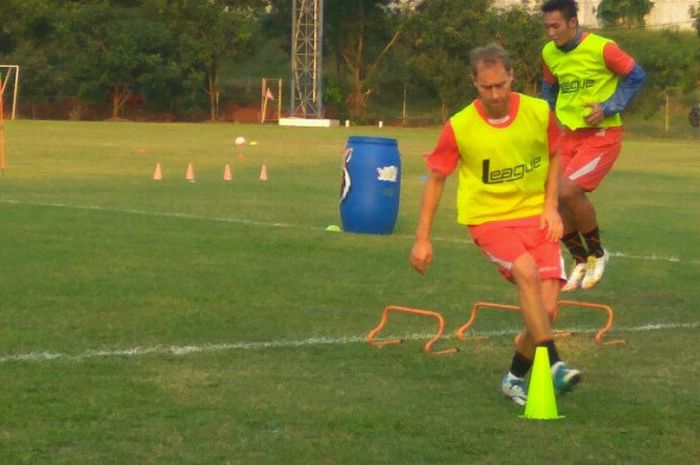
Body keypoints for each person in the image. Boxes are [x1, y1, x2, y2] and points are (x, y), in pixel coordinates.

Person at [409, 43, 580, 406]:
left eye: (501, 85)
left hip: (536, 215)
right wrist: (422, 239)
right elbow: (436, 179)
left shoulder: (537, 112)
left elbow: (554, 153)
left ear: (512, 77)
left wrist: (551, 206)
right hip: (488, 220)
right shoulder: (459, 126)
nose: (495, 94)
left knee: (546, 312)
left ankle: (515, 376)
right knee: (527, 274)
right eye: (486, 87)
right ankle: (553, 362)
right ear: (474, 83)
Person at [540, 0, 646, 291]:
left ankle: (598, 253)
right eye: (547, 26)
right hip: (568, 137)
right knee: (550, 194)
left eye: (556, 26)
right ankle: (579, 260)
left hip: (602, 135)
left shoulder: (602, 47)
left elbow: (636, 75)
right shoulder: (549, 53)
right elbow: (548, 90)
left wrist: (609, 106)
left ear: (573, 23)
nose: (550, 33)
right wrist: (549, 121)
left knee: (567, 189)